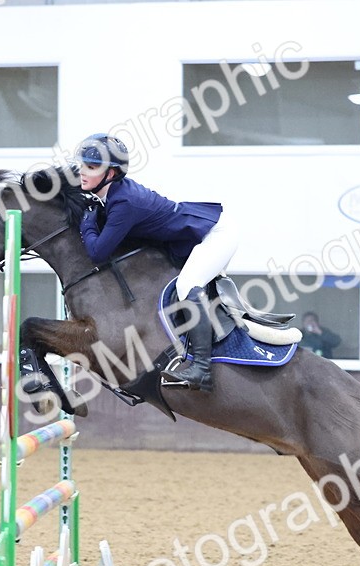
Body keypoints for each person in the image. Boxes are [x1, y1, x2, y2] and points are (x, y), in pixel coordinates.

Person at [75, 133, 238, 392]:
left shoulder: (124, 202)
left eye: (91, 167)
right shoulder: (114, 193)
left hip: (215, 235)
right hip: (196, 234)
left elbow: (97, 253)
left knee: (187, 286)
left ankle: (203, 371)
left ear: (111, 173)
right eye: (81, 164)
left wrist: (86, 223)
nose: (82, 172)